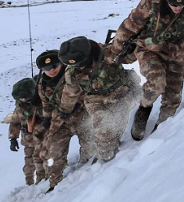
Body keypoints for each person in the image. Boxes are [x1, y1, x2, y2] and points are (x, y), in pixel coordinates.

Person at [109, 0, 184, 140]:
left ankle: (162, 133)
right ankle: (144, 109)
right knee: (156, 83)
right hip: (149, 50)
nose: (178, 7)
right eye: (174, 4)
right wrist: (114, 52)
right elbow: (128, 27)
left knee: (173, 98)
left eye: (182, 4)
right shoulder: (150, 3)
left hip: (176, 52)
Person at [51, 36, 140, 166]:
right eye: (74, 64)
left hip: (121, 94)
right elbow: (70, 93)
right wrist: (65, 110)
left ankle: (112, 149)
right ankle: (104, 158)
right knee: (102, 122)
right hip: (94, 100)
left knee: (116, 127)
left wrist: (132, 49)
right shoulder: (72, 72)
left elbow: (131, 57)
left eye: (80, 63)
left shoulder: (109, 54)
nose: (78, 67)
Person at [35, 49, 95, 191]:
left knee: (90, 148)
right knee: (54, 154)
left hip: (82, 116)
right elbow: (47, 104)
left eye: (54, 66)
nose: (52, 70)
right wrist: (47, 119)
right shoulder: (42, 85)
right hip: (60, 122)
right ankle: (54, 183)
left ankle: (89, 170)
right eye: (47, 68)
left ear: (61, 63)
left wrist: (77, 104)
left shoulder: (73, 74)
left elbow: (87, 90)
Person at [8, 77, 47, 185]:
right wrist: (13, 138)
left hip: (44, 137)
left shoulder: (43, 98)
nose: (22, 100)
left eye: (24, 98)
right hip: (29, 139)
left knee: (45, 158)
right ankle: (30, 185)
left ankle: (45, 180)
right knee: (29, 164)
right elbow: (15, 121)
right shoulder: (20, 106)